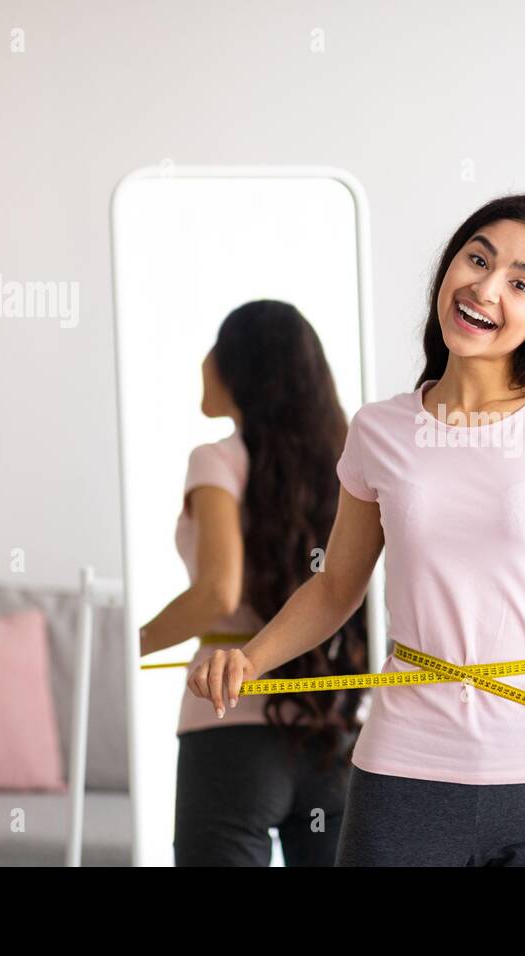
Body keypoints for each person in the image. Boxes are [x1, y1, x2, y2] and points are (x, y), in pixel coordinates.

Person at [188, 194, 525, 866]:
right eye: (476, 258)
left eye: (519, 282)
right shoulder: (379, 430)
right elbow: (335, 587)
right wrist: (250, 659)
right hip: (403, 777)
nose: (484, 285)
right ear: (448, 271)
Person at [139, 300, 368, 866]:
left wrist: (136, 642)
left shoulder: (217, 459)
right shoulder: (345, 464)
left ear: (242, 366)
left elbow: (218, 591)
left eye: (216, 346)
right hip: (332, 730)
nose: (204, 360)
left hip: (229, 732)